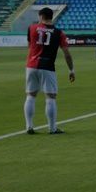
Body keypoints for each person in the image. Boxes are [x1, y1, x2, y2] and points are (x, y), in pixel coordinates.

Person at [25, 7, 75, 135]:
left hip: (31, 66)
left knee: (31, 95)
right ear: (51, 17)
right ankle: (52, 128)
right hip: (47, 66)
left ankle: (29, 126)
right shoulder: (59, 33)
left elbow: (30, 45)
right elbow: (67, 54)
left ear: (41, 16)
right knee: (51, 96)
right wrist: (71, 70)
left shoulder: (31, 28)